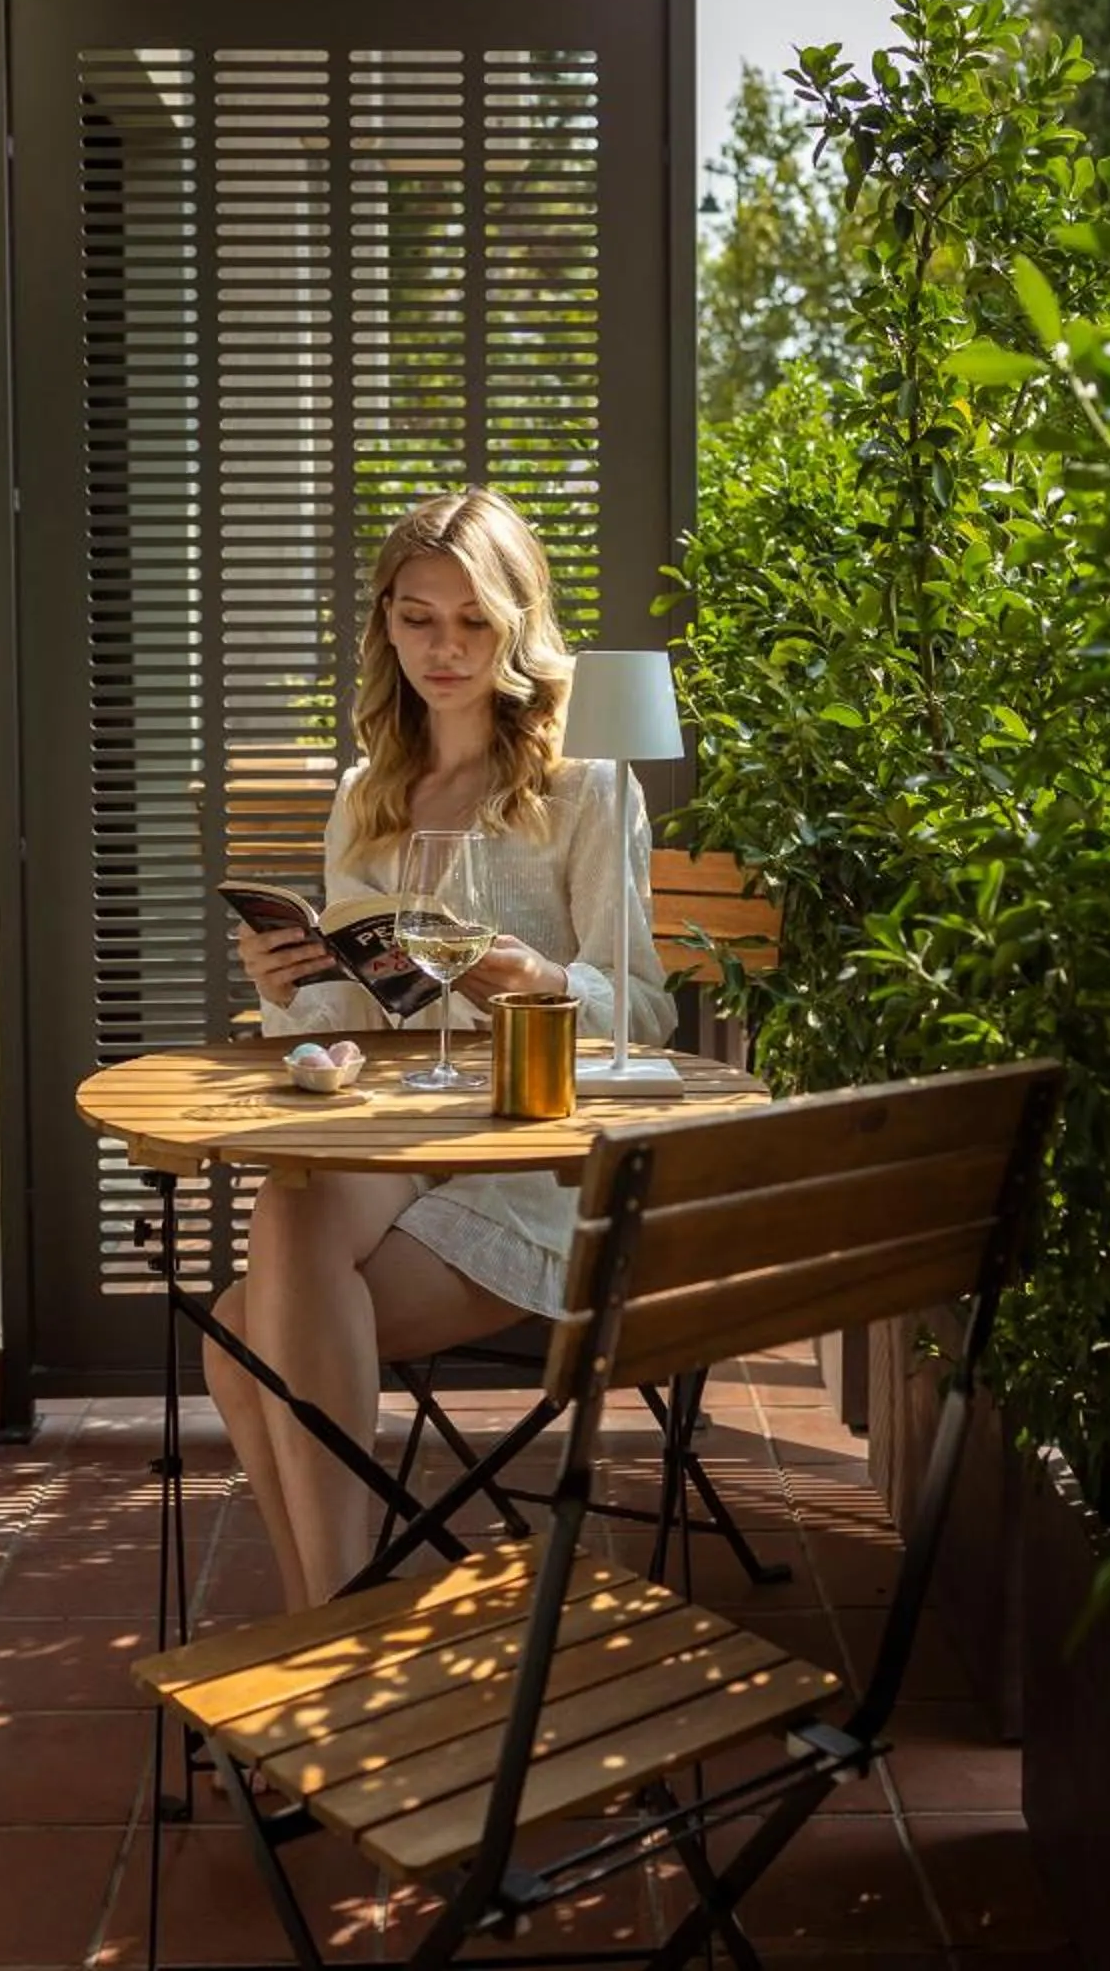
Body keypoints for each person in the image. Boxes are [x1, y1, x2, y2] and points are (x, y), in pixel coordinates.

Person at [211, 487, 676, 1610]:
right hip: (408, 1127)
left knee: (237, 1333)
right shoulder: (367, 794)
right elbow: (354, 1026)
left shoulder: (585, 785)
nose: (445, 648)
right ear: (386, 625)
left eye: (472, 620)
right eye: (418, 618)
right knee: (290, 1207)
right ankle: (341, 1613)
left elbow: (648, 1009)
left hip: (535, 1152)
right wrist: (288, 989)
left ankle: (324, 1618)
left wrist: (543, 978)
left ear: (518, 621)